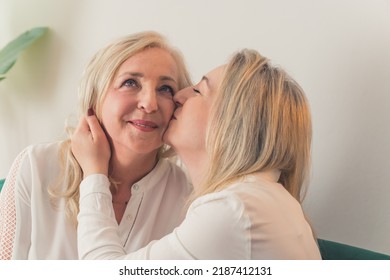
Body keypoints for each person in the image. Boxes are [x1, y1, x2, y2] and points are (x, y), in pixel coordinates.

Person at [73, 49, 322, 259]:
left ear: (231, 121)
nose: (179, 96)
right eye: (130, 83)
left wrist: (94, 171)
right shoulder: (262, 199)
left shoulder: (231, 211)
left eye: (198, 91)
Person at [0, 31, 193, 259]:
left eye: (165, 89)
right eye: (130, 83)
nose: (150, 104)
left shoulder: (185, 194)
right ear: (95, 97)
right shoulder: (36, 165)